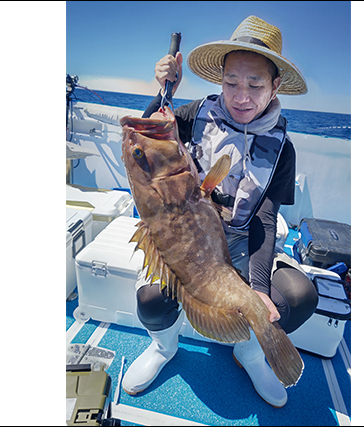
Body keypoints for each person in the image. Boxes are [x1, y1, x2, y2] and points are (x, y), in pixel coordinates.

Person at [122, 15, 318, 408]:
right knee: (150, 298)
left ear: (276, 86)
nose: (240, 95)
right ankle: (164, 347)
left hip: (243, 241)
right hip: (188, 242)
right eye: (230, 83)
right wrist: (164, 91)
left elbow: (264, 218)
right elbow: (144, 141)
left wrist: (258, 289)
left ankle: (249, 354)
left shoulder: (283, 150)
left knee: (298, 297)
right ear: (220, 80)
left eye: (254, 84)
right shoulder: (195, 115)